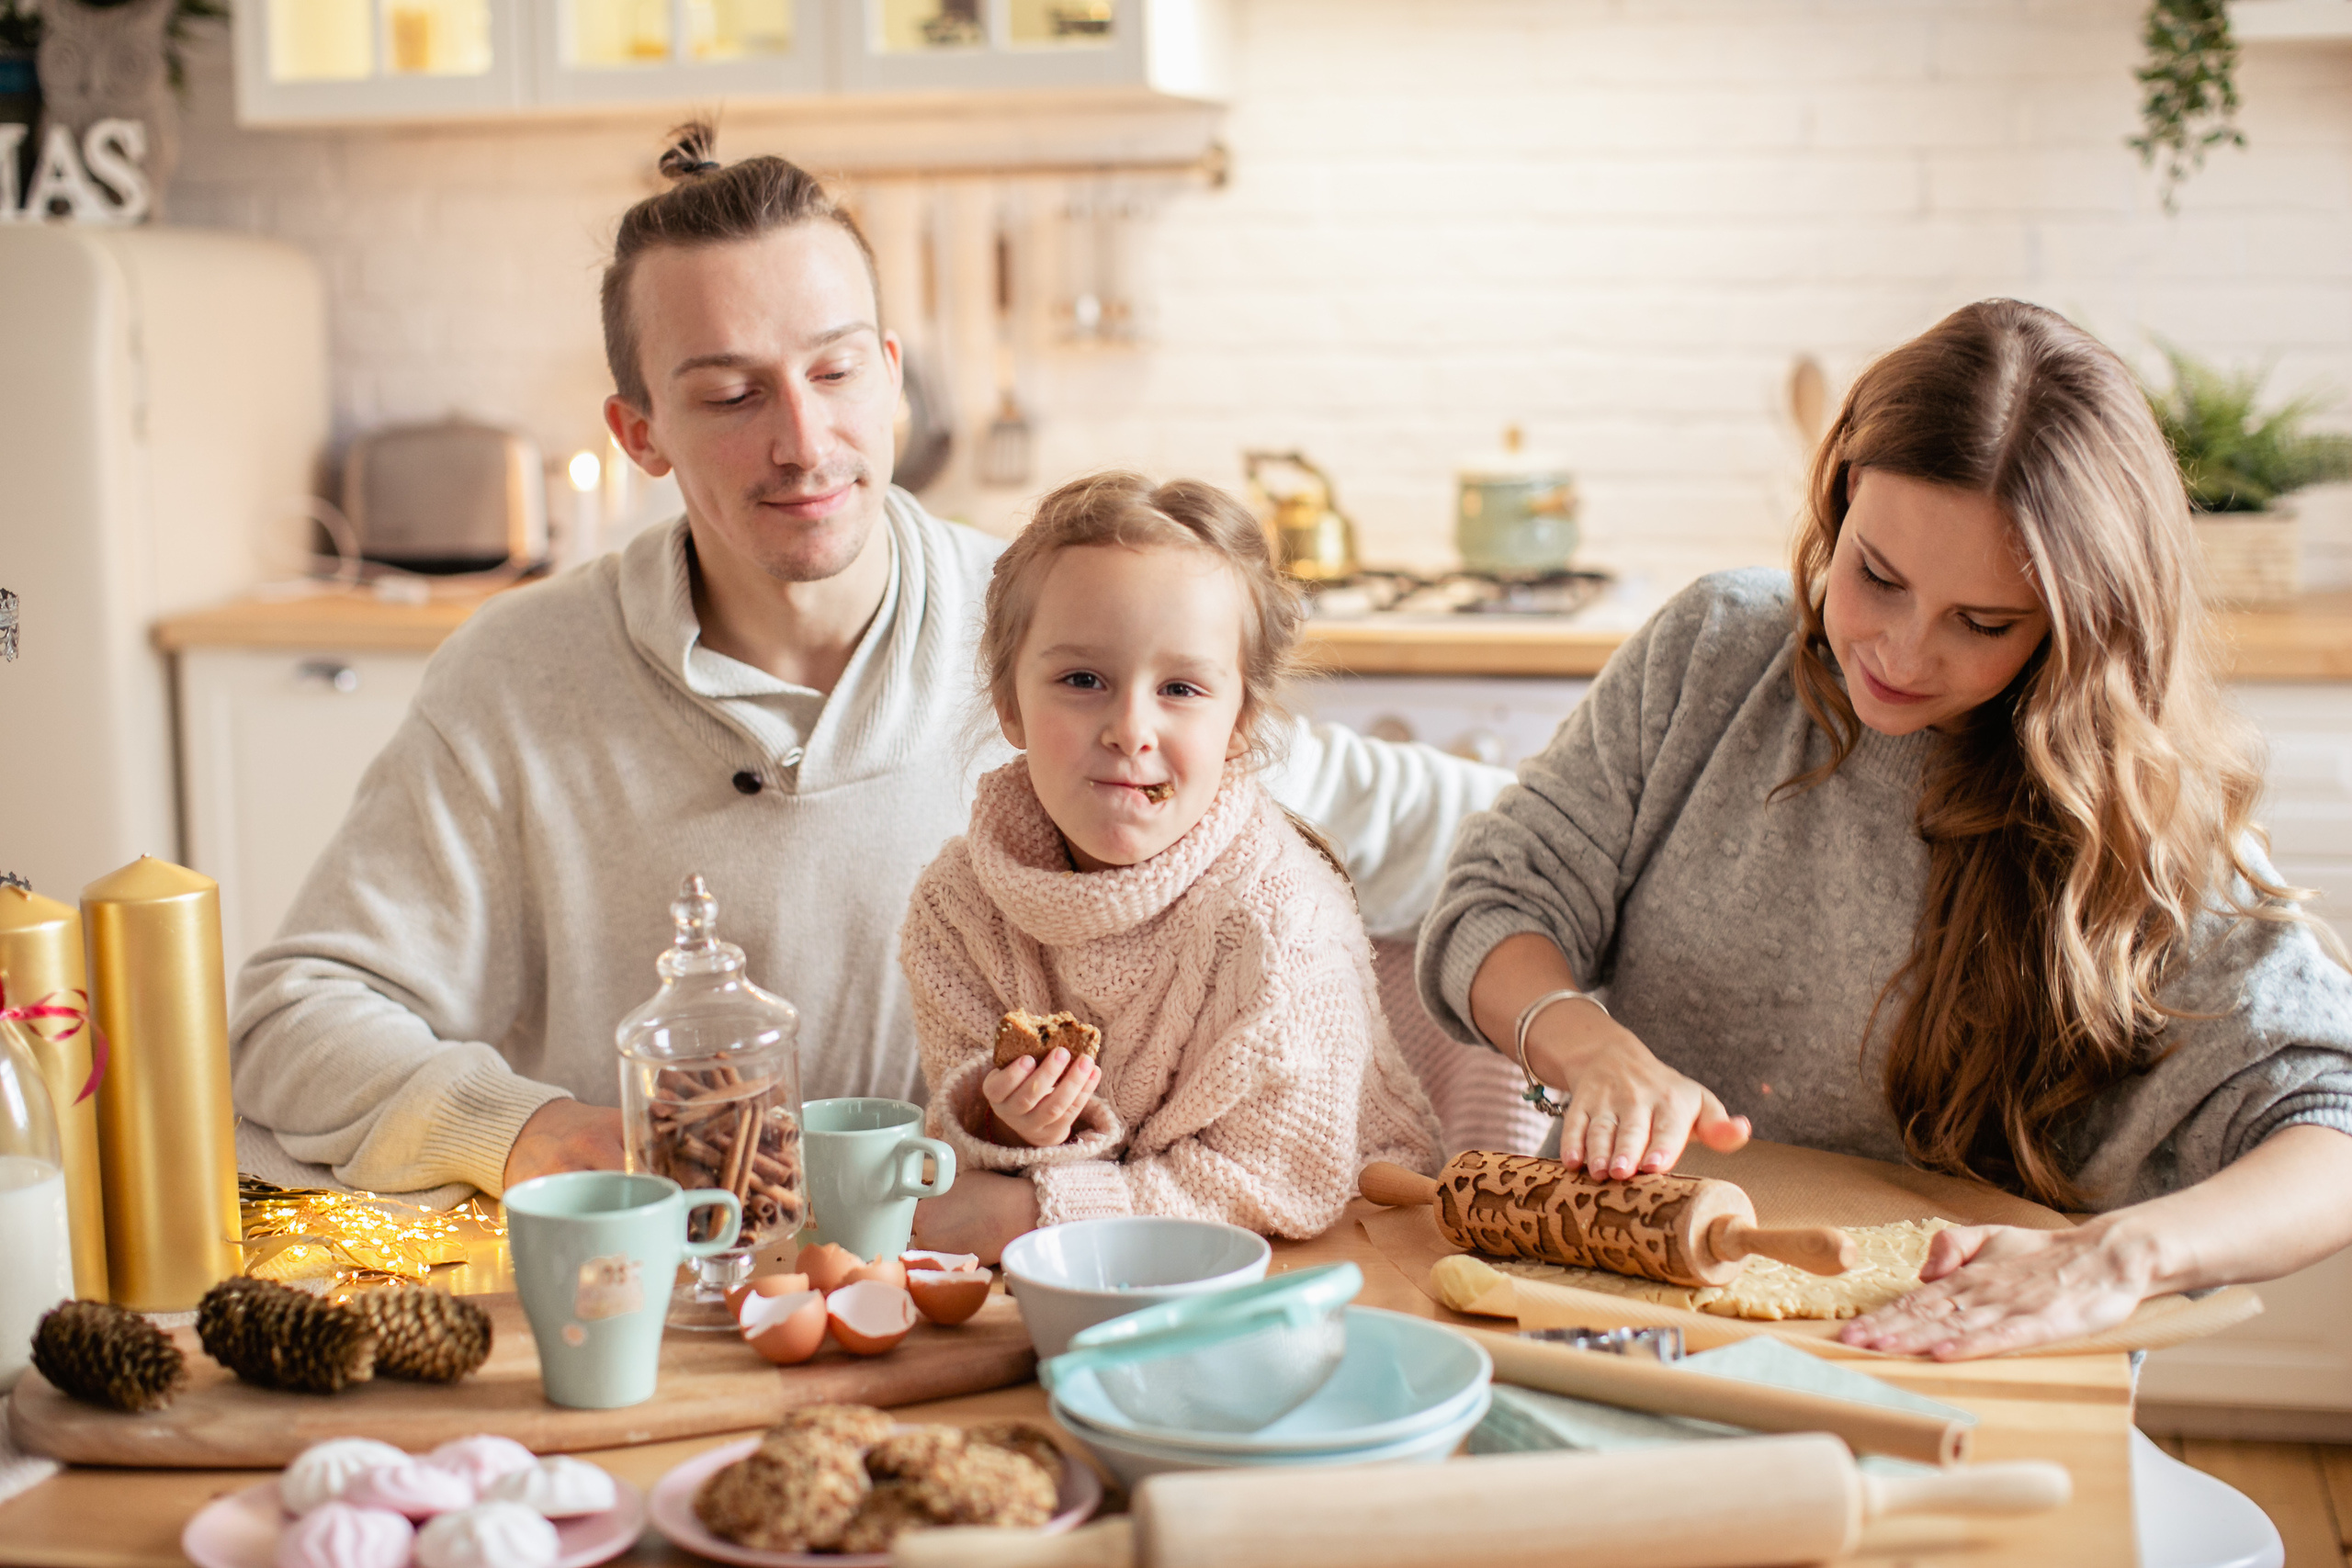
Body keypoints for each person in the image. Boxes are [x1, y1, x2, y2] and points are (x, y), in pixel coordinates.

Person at [228, 125, 1506, 1201]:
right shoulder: (515, 679)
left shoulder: (1062, 641)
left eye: (836, 371)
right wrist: (538, 1132)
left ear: (890, 379)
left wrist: (1597, 1011)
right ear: (640, 431)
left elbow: (1474, 838)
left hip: (998, 1297)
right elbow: (297, 1018)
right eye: (730, 395)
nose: (805, 440)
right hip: (675, 1309)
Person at [1417, 299, 2352, 1359]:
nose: (1902, 654)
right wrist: (1591, 1049)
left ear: (2080, 627)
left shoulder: (2131, 806)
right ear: (1844, 491)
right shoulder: (1715, 654)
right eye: (1877, 577)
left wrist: (2115, 1258)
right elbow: (1497, 901)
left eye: (1983, 623)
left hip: (1942, 1347)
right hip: (1627, 1319)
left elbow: (2334, 1124)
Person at [899, 473, 1442, 1261]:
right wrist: (998, 1125)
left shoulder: (1282, 925)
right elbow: (971, 1169)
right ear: (1009, 703)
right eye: (1082, 680)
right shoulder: (958, 910)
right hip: (1101, 1277)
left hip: (1337, 1262)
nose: (1129, 728)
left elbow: (1278, 1180)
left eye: (1181, 688)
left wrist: (1033, 1213)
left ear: (1239, 725)